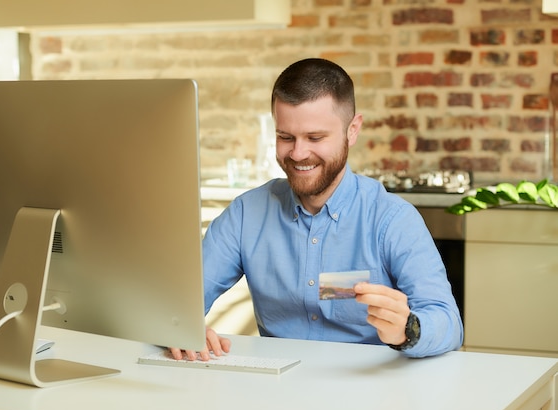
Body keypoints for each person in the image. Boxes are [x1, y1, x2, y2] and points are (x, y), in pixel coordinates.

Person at [172, 57, 463, 360]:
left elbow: (448, 323)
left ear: (353, 130)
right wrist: (183, 327)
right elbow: (180, 304)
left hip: (369, 395)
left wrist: (408, 329)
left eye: (315, 138)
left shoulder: (392, 219)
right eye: (285, 137)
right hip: (278, 394)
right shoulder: (247, 214)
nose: (298, 153)